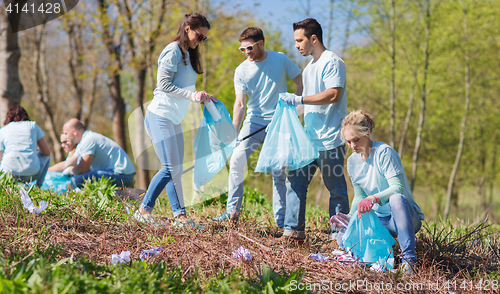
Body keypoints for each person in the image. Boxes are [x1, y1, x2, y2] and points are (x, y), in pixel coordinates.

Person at [213, 27, 303, 227]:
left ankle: (281, 221)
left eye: (250, 48)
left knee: (278, 171)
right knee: (236, 159)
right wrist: (234, 132)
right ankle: (232, 213)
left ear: (261, 43)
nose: (247, 53)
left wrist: (293, 111)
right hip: (253, 122)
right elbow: (240, 104)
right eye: (242, 49)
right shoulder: (241, 70)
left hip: (279, 123)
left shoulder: (280, 59)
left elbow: (301, 82)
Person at [133, 13, 216, 228]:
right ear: (187, 29)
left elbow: (184, 88)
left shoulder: (189, 55)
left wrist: (202, 96)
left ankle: (180, 217)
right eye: (200, 35)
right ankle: (143, 211)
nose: (201, 41)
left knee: (176, 169)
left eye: (204, 39)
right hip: (160, 115)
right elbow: (163, 84)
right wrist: (191, 95)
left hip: (174, 118)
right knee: (170, 167)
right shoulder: (172, 51)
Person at [280, 18, 349, 240]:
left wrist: (299, 98)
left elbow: (332, 95)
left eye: (299, 40)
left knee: (336, 191)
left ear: (313, 38)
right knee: (294, 182)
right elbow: (305, 103)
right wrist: (286, 111)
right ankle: (293, 232)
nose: (296, 45)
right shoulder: (308, 67)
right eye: (295, 41)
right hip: (308, 140)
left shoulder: (332, 62)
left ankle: (340, 238)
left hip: (330, 140)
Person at [333, 109, 424, 273]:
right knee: (342, 238)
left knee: (396, 198)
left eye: (356, 140)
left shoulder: (384, 152)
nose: (353, 146)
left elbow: (398, 188)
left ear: (367, 132)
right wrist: (349, 218)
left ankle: (409, 261)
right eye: (348, 142)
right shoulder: (352, 161)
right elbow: (359, 196)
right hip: (379, 221)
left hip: (402, 218)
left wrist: (373, 198)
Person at [51, 118, 136, 189]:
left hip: (123, 175)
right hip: (117, 173)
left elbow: (82, 169)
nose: (65, 136)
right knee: (79, 178)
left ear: (74, 132)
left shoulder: (88, 140)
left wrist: (69, 170)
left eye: (66, 133)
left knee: (78, 180)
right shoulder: (83, 141)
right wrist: (46, 171)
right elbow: (66, 163)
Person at [0, 105, 51, 187]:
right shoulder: (32, 126)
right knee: (47, 157)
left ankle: (4, 186)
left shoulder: (3, 130)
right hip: (31, 173)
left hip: (8, 174)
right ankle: (38, 186)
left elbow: (0, 157)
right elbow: (47, 152)